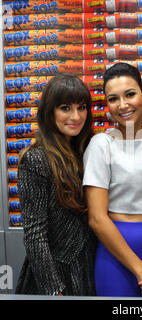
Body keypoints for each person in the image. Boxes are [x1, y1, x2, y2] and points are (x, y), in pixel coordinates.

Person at [83, 62, 142, 297]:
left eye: (130, 94)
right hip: (115, 259)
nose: (123, 105)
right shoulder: (101, 145)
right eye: (113, 99)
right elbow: (96, 218)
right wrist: (140, 271)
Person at [15, 73, 97, 296]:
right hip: (55, 273)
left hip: (88, 267)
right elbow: (35, 234)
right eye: (65, 108)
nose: (76, 116)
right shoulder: (36, 159)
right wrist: (55, 290)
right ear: (50, 112)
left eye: (81, 107)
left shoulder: (87, 150)